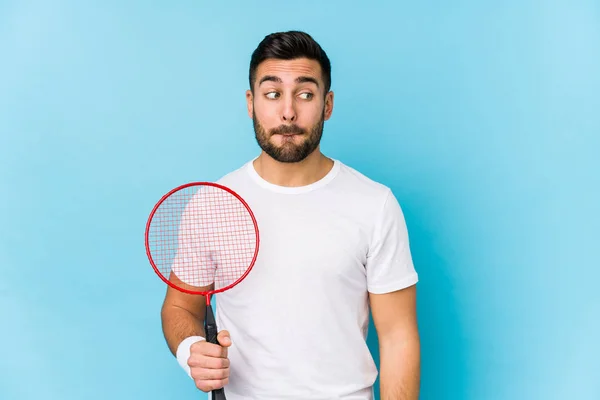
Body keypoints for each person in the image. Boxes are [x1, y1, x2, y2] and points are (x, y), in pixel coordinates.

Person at [160, 30, 421, 400]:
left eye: (305, 94)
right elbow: (179, 306)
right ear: (251, 103)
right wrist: (190, 350)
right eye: (272, 94)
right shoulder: (212, 203)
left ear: (327, 104)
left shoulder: (374, 204)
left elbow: (398, 336)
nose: (288, 111)